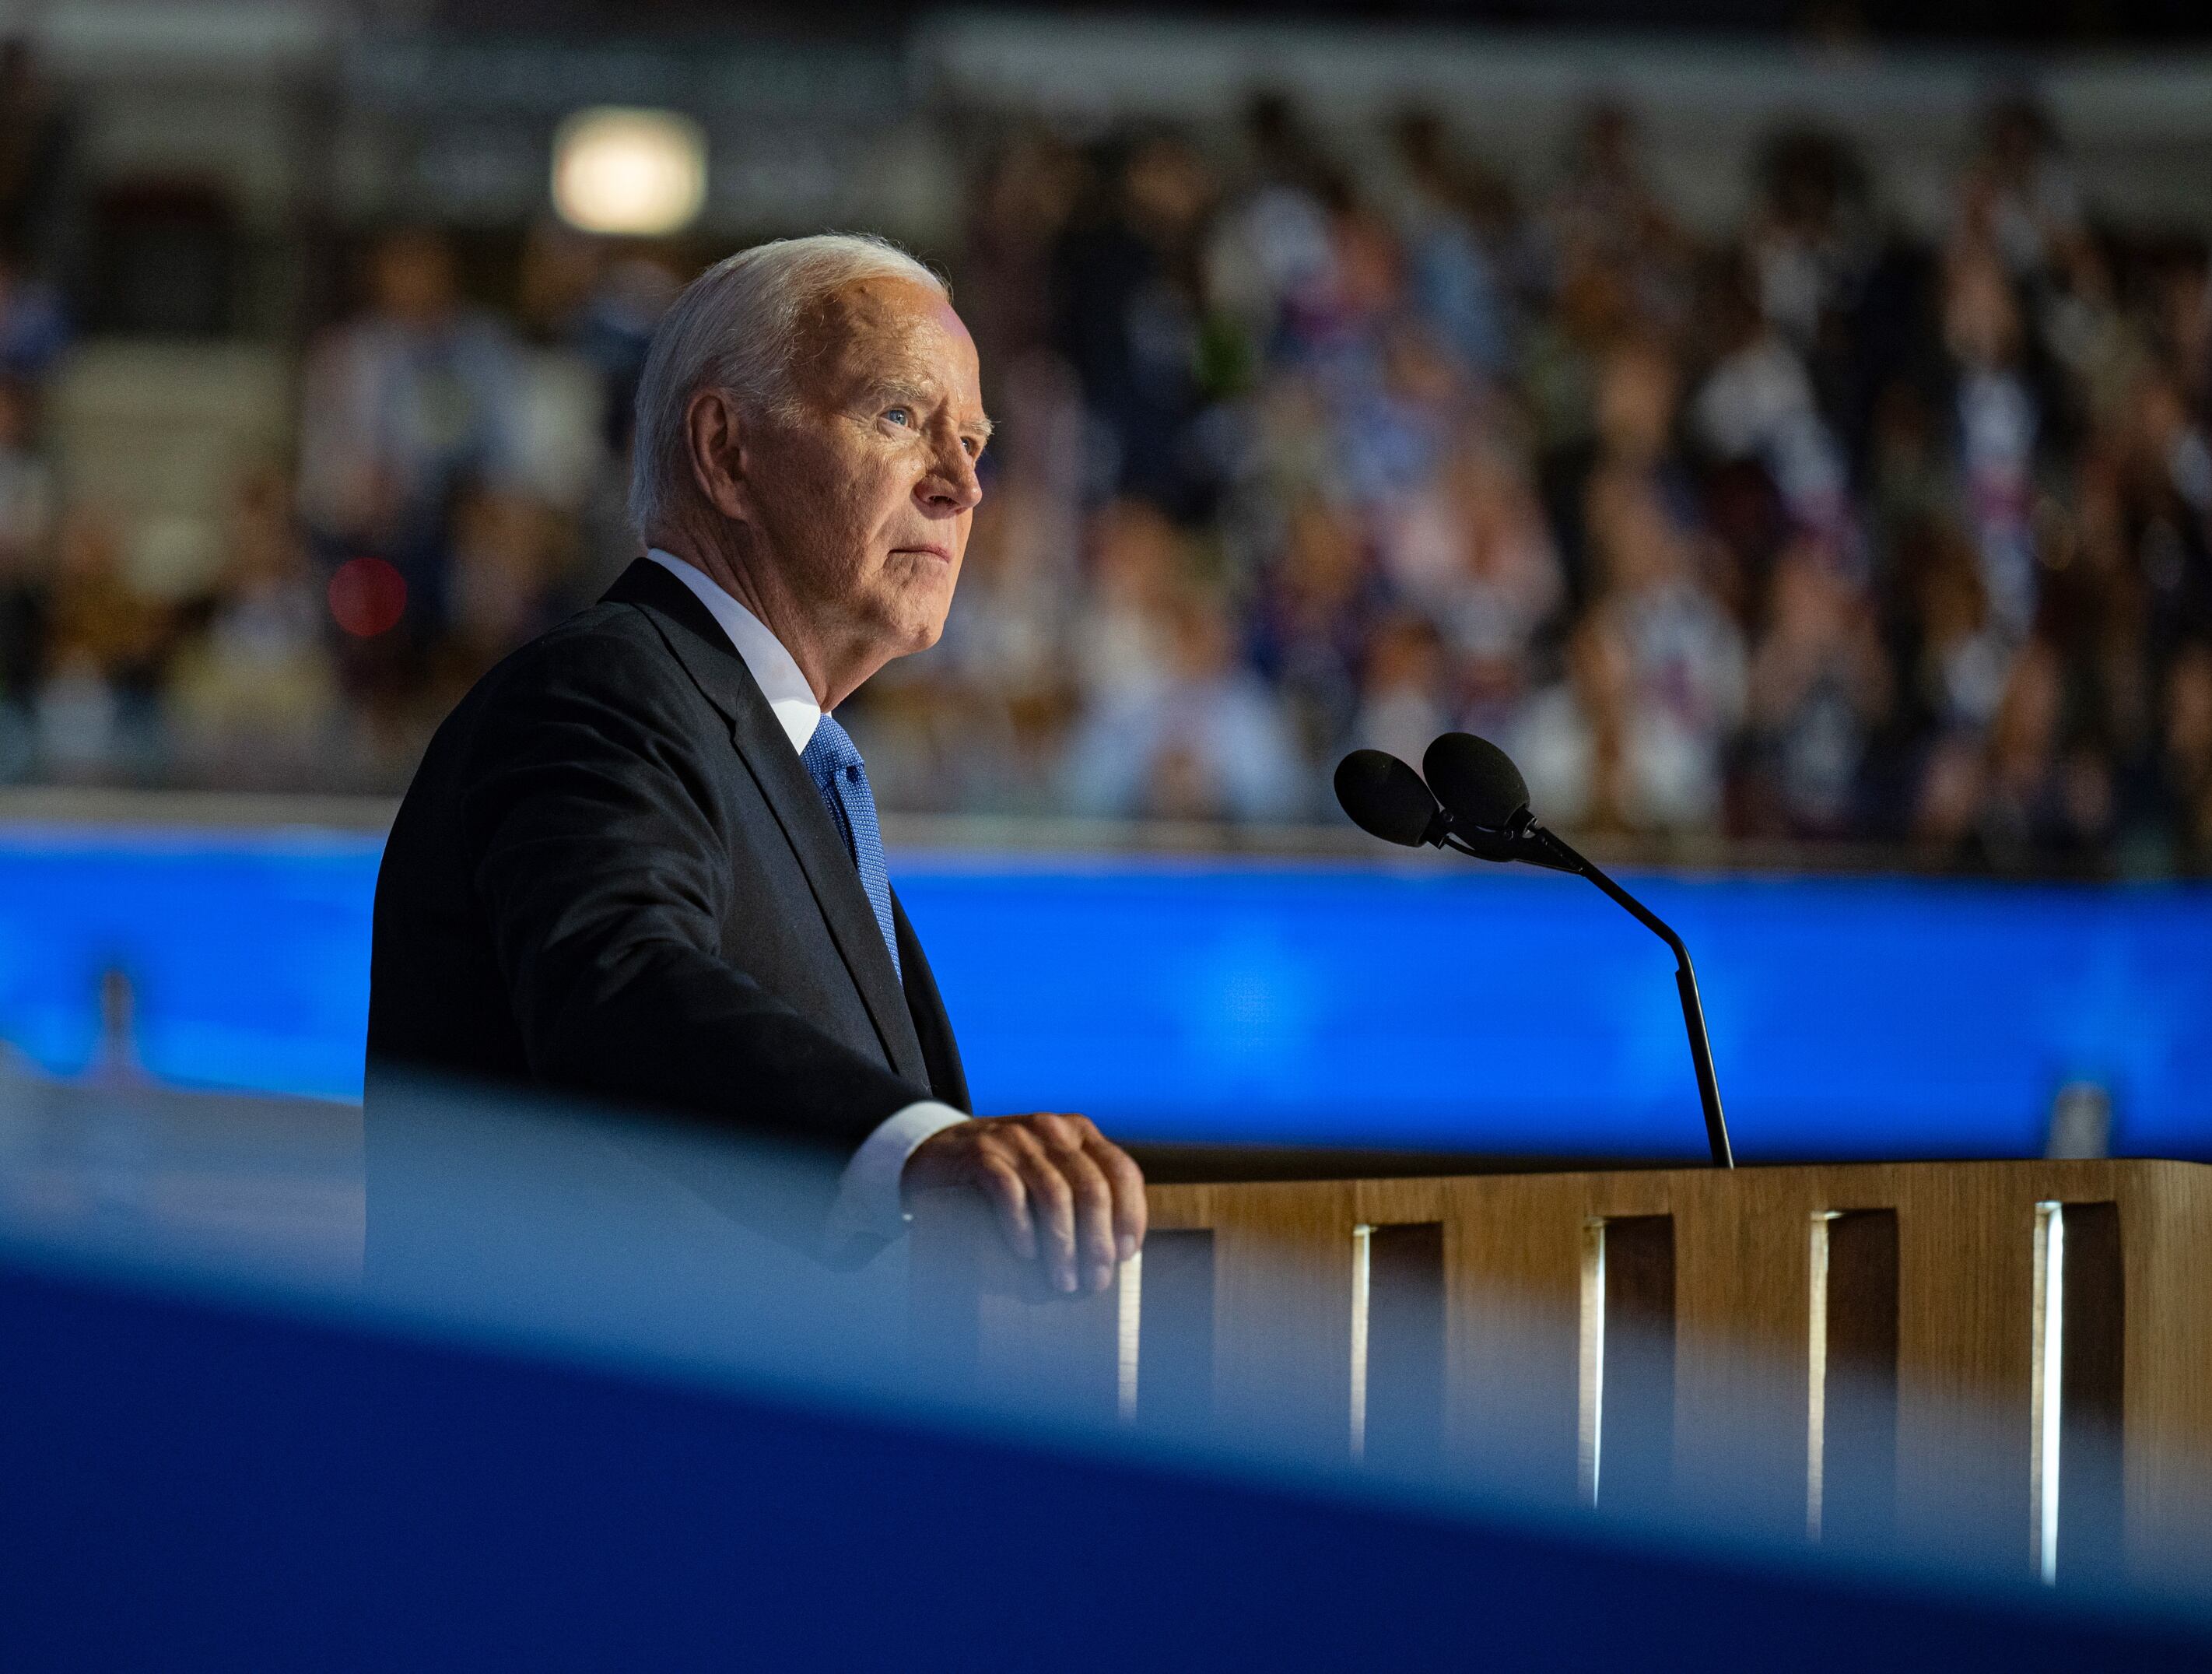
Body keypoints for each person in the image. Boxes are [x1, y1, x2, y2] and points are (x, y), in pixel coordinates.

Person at [368, 235, 1146, 1289]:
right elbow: (619, 981)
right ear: (728, 451)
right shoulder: (605, 690)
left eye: (975, 440)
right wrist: (909, 1152)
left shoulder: (793, 764)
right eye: (901, 418)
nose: (963, 487)